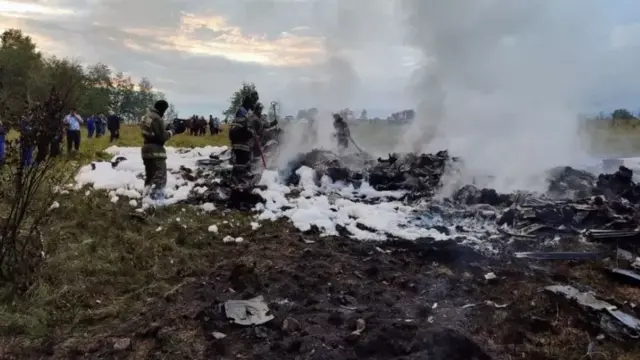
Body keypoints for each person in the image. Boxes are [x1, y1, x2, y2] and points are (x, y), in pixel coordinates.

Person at [140, 100, 186, 200]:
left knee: (150, 177)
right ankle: (156, 201)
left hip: (146, 149)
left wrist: (167, 125)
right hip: (155, 151)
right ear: (163, 109)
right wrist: (173, 131)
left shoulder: (146, 116)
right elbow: (161, 137)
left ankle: (145, 197)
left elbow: (153, 129)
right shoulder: (157, 118)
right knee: (160, 177)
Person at [228, 94, 258, 186]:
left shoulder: (240, 109)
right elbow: (245, 124)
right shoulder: (244, 111)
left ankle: (236, 175)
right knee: (244, 158)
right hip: (241, 137)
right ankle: (243, 177)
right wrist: (251, 131)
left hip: (235, 136)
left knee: (238, 158)